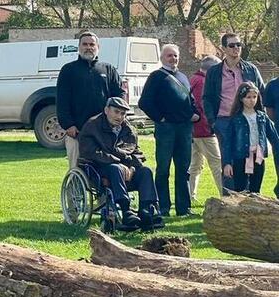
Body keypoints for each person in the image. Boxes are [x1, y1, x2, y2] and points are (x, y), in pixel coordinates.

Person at [78, 97, 163, 232]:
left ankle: (146, 211)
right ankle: (126, 211)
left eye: (123, 114)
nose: (119, 117)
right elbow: (91, 152)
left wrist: (133, 168)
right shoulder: (92, 126)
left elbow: (136, 152)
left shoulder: (128, 128)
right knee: (115, 169)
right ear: (106, 110)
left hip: (125, 167)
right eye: (116, 112)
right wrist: (118, 163)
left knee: (145, 171)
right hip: (99, 168)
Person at [138, 44, 198, 217]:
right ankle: (162, 207)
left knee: (183, 169)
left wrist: (195, 115)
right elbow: (145, 102)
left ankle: (183, 208)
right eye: (170, 56)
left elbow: (190, 100)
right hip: (166, 129)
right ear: (162, 58)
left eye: (176, 56)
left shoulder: (183, 77)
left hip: (185, 128)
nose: (173, 59)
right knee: (163, 169)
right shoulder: (156, 77)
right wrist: (161, 118)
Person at [201, 33, 264, 190]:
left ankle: (250, 197)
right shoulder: (214, 72)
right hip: (224, 121)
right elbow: (207, 98)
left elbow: (261, 93)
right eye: (232, 45)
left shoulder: (251, 69)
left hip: (247, 119)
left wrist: (260, 118)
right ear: (223, 48)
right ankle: (229, 200)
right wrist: (212, 122)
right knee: (228, 160)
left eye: (239, 45)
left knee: (250, 158)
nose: (236, 48)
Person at [56, 32, 125, 171]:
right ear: (79, 47)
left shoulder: (108, 69)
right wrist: (68, 125)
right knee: (77, 169)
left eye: (92, 44)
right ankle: (74, 194)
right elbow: (62, 100)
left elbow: (119, 95)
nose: (88, 47)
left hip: (104, 131)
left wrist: (119, 117)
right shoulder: (68, 70)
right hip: (77, 132)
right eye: (85, 44)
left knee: (105, 170)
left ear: (98, 47)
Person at [224, 82, 279, 195]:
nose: (252, 100)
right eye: (248, 97)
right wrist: (227, 163)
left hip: (258, 157)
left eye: (254, 97)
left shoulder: (262, 117)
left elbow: (274, 137)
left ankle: (255, 210)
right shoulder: (235, 119)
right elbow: (227, 142)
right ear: (241, 98)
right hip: (240, 157)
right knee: (240, 189)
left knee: (256, 189)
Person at [189, 55, 223, 200]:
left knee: (195, 165)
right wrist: (210, 128)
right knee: (217, 163)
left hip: (193, 130)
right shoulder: (203, 82)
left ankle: (190, 195)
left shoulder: (193, 79)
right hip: (204, 130)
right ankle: (226, 194)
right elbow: (202, 107)